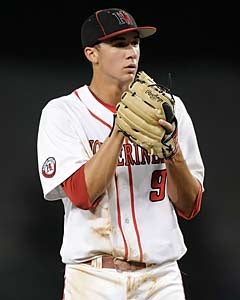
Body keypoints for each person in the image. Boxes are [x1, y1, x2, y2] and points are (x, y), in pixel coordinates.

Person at [37, 7, 205, 300]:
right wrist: (119, 130)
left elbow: (190, 205)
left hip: (161, 277)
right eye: (119, 44)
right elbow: (81, 194)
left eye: (135, 43)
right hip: (93, 278)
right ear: (92, 53)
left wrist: (172, 151)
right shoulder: (63, 113)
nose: (131, 52)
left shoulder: (170, 110)